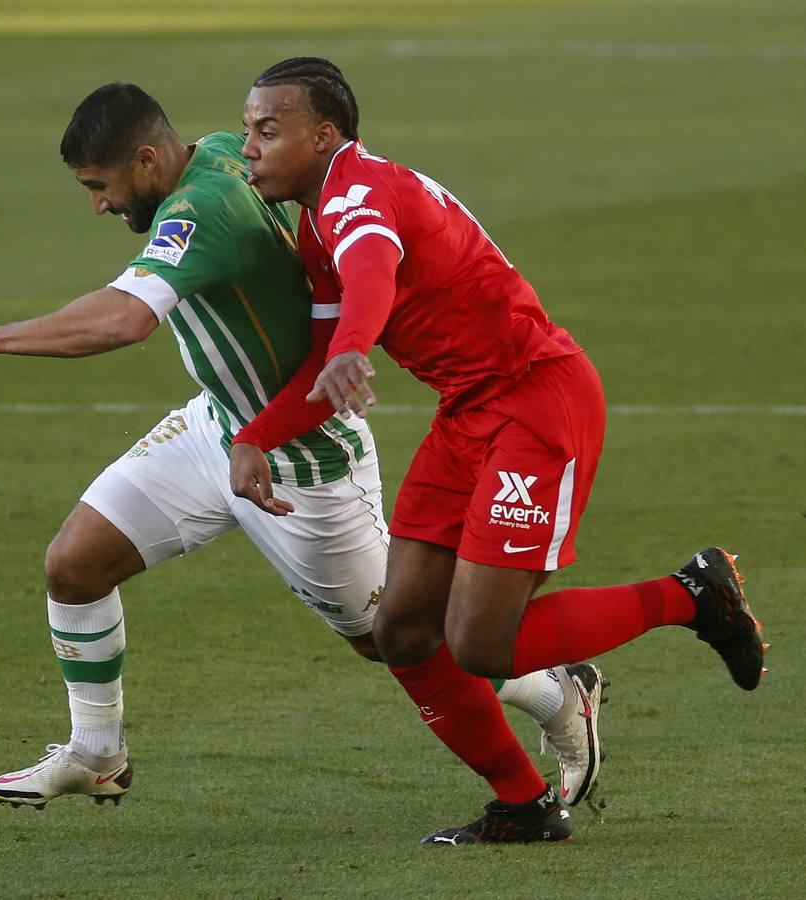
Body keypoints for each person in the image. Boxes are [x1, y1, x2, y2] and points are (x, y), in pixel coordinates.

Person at [0, 82, 603, 812]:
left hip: (303, 458)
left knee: (394, 637)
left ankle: (556, 690)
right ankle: (96, 752)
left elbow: (123, 322)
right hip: (219, 428)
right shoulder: (227, 152)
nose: (98, 206)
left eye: (99, 187)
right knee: (73, 566)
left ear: (146, 160)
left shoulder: (200, 211)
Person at [231, 56, 766, 844]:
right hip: (468, 411)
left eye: (267, 131)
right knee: (404, 631)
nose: (250, 147)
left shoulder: (359, 194)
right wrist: (255, 439)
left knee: (481, 644)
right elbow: (323, 355)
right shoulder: (315, 220)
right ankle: (522, 805)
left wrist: (354, 344)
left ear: (324, 135)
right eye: (246, 130)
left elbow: (373, 273)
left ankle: (692, 595)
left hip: (536, 399)